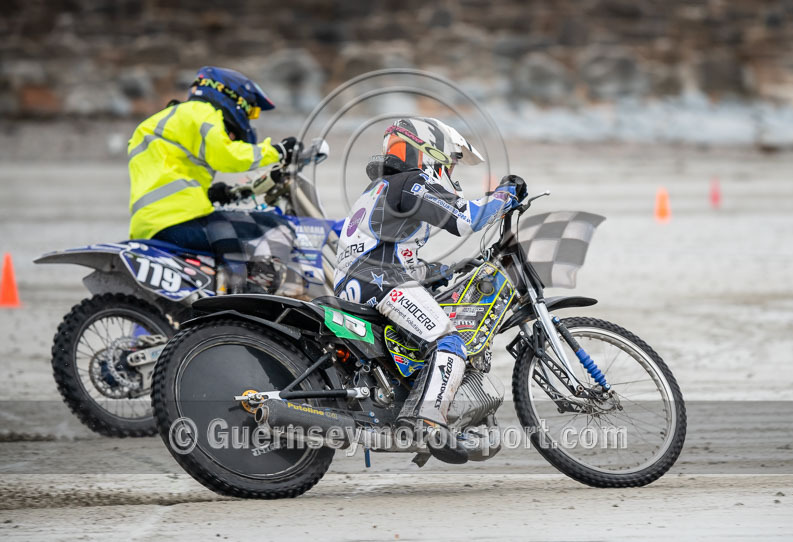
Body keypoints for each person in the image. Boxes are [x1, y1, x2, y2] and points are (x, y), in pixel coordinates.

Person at [334, 118, 527, 463]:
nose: (451, 173)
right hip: (378, 281)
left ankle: (409, 405)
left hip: (361, 281)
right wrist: (506, 194)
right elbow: (468, 218)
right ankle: (426, 423)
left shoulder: (380, 190)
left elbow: (389, 251)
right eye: (450, 163)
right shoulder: (412, 181)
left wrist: (445, 270)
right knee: (448, 342)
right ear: (429, 153)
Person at [127, 66, 298, 292]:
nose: (249, 118)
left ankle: (226, 293)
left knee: (226, 230)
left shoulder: (159, 122)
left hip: (149, 225)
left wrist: (211, 194)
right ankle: (251, 305)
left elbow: (166, 173)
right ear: (236, 98)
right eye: (251, 111)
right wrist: (278, 151)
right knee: (277, 228)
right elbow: (227, 156)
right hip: (182, 220)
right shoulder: (203, 112)